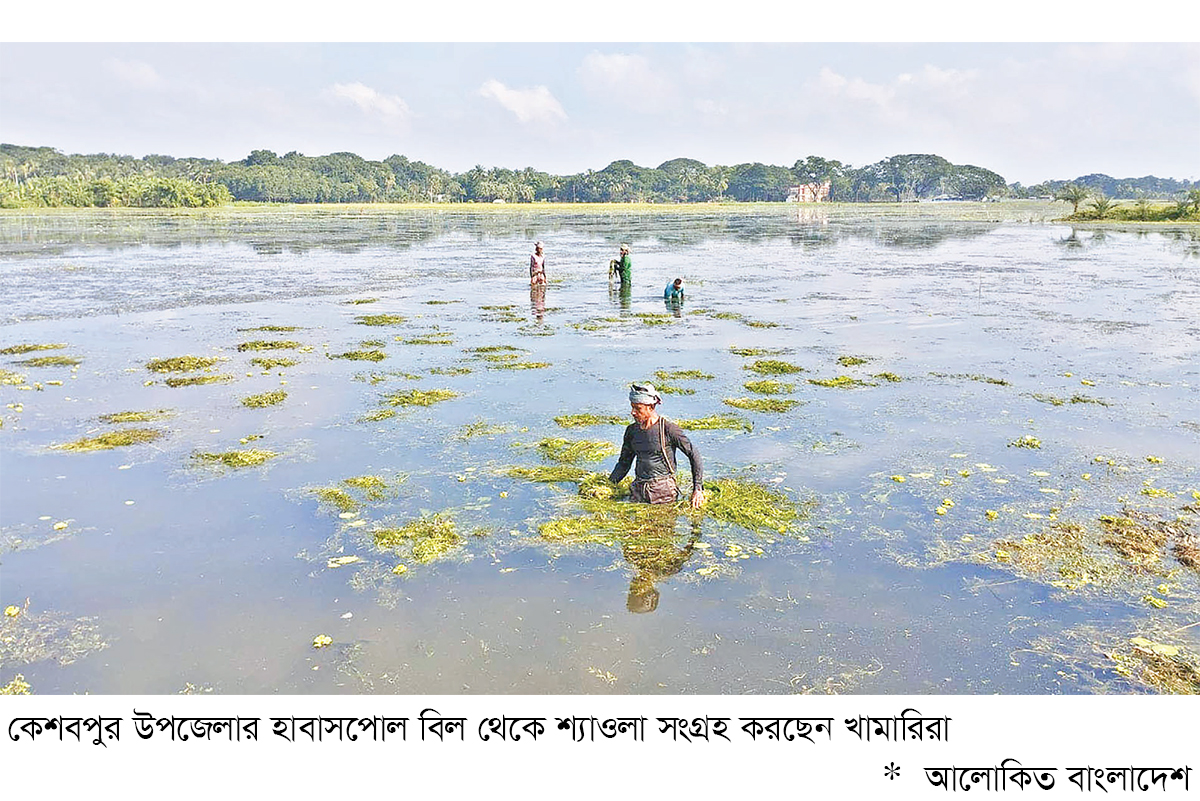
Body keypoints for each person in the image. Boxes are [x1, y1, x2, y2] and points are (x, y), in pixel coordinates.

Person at [609, 382, 705, 509]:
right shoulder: (632, 431)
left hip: (663, 494)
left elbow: (693, 454)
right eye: (632, 407)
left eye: (638, 408)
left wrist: (697, 489)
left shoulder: (668, 429)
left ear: (651, 407)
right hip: (638, 491)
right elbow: (624, 463)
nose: (633, 412)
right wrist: (608, 485)